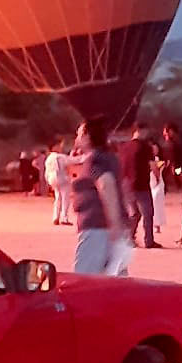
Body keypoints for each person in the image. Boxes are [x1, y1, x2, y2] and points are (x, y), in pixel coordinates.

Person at [72, 117, 128, 274]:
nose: (76, 138)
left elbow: (106, 183)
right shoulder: (109, 158)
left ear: (88, 137)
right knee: (113, 279)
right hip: (107, 227)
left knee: (84, 281)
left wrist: (114, 222)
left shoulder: (94, 160)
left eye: (79, 134)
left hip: (98, 228)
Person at [123, 118, 160, 249]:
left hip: (126, 184)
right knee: (148, 213)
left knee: (134, 214)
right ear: (141, 131)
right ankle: (149, 241)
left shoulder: (125, 147)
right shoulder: (145, 146)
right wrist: (158, 178)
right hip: (141, 184)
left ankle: (129, 238)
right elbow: (153, 165)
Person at [44, 139, 74, 224]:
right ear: (54, 147)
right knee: (65, 198)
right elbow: (72, 161)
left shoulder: (49, 158)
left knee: (58, 198)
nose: (61, 147)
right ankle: (64, 218)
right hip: (61, 178)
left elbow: (46, 172)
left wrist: (48, 182)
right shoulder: (59, 157)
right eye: (59, 145)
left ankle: (55, 217)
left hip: (52, 179)